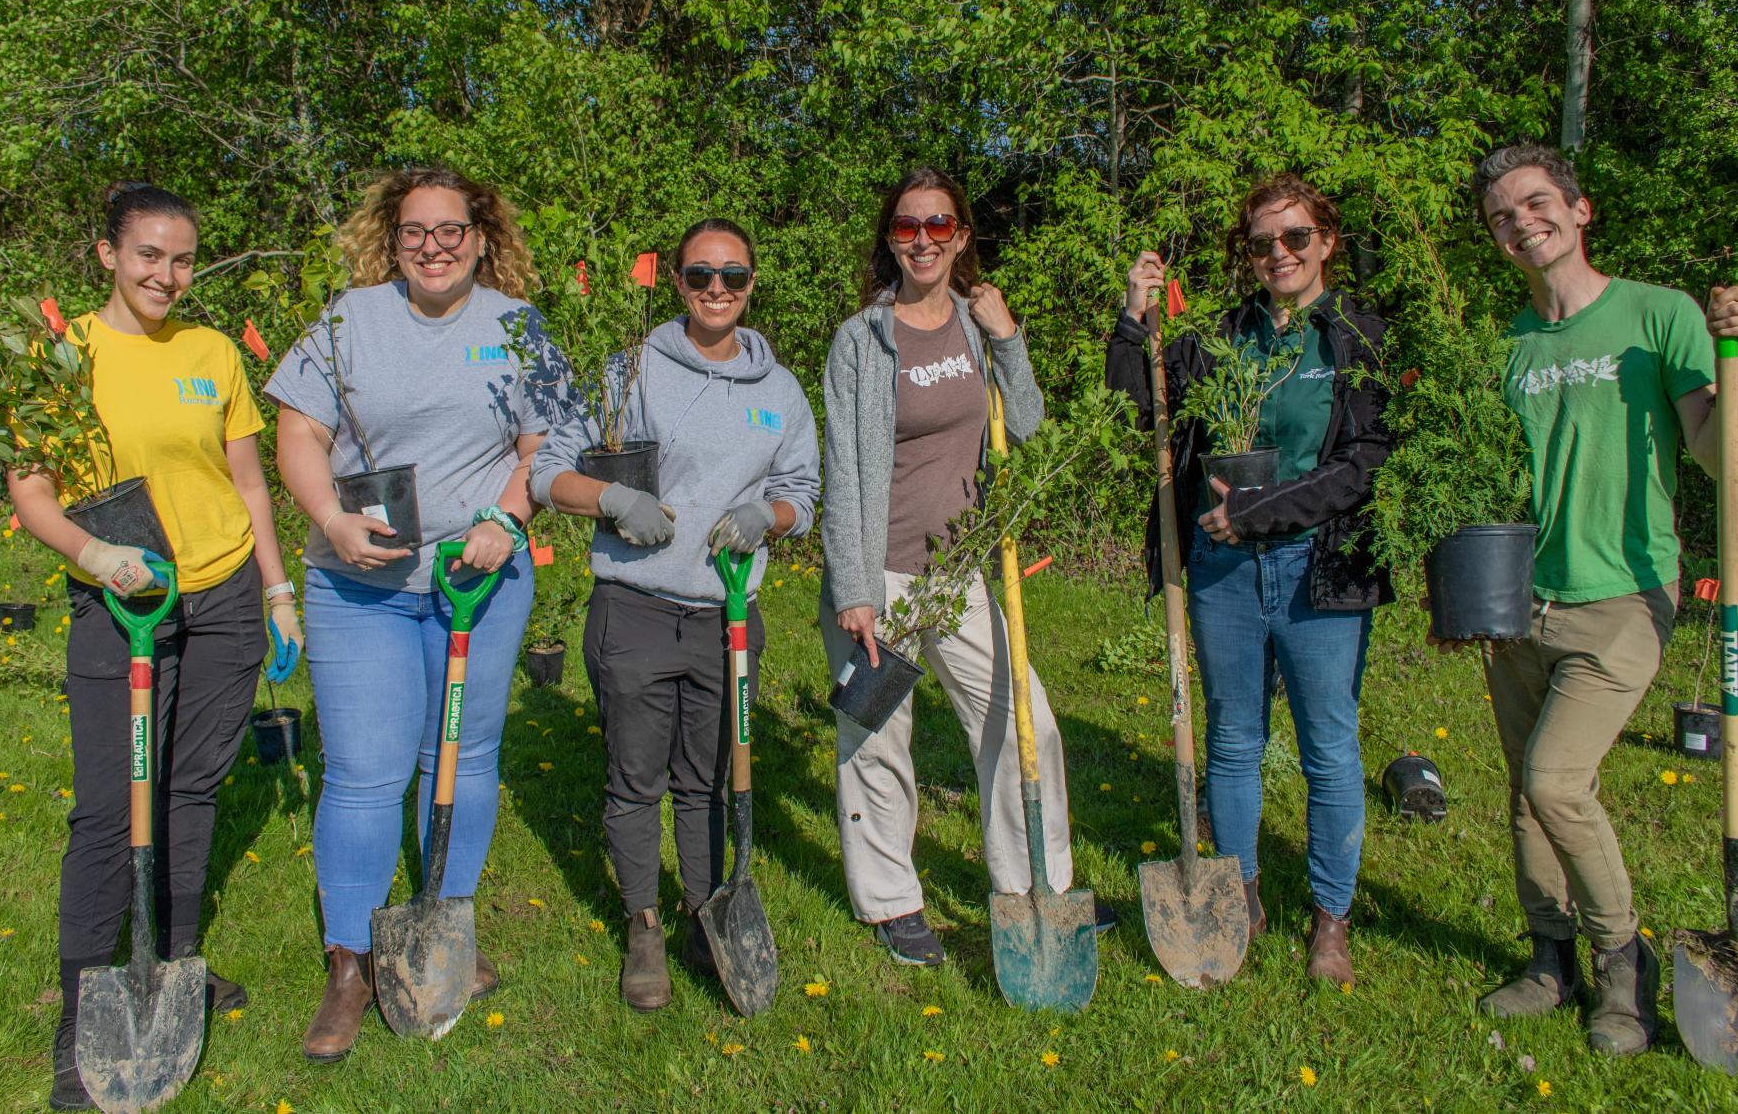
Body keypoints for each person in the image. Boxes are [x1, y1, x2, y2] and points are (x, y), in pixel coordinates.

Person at [1461, 143, 1738, 1055]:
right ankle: (1549, 958)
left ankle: (1622, 963)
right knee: (1525, 792)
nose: (1522, 223)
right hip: (1520, 598)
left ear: (1579, 208)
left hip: (1625, 594)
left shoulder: (1657, 315)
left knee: (1556, 780)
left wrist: (1736, 363)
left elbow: (1724, 457)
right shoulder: (1507, 346)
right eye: (1502, 216)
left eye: (1536, 202)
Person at [267, 165, 571, 1062]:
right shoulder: (348, 322)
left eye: (450, 231)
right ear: (391, 239)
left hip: (478, 580)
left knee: (464, 755)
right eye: (414, 232)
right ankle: (351, 962)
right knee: (366, 770)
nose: (433, 247)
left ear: (481, 237)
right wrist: (331, 518)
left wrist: (507, 519)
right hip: (358, 582)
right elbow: (299, 431)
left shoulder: (517, 327)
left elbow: (547, 442)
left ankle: (444, 924)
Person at [9, 182, 298, 1111]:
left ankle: (170, 963)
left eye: (181, 260)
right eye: (147, 255)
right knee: (108, 805)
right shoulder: (61, 358)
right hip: (123, 595)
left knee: (190, 788)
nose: (166, 275)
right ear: (107, 254)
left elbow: (247, 483)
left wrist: (278, 592)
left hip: (223, 592)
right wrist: (92, 555)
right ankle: (83, 1010)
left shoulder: (213, 353)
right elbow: (31, 489)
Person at [1105, 174, 1392, 986]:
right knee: (1233, 737)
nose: (1280, 254)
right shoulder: (1222, 338)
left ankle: (1330, 918)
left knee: (1327, 744)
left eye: (1296, 238)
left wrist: (1264, 510)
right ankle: (1241, 896)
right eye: (1263, 243)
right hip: (1224, 570)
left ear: (1326, 241)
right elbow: (1139, 408)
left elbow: (1361, 465)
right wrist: (1133, 318)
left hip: (1319, 568)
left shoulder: (1356, 338)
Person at [820, 166, 1109, 967]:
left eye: (938, 225)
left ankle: (1037, 883)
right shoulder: (861, 340)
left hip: (959, 575)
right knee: (875, 739)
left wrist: (1008, 335)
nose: (923, 240)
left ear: (962, 237)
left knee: (1024, 722)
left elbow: (1031, 425)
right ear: (890, 239)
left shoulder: (978, 328)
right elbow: (842, 470)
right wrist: (853, 589)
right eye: (907, 226)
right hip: (880, 575)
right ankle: (892, 901)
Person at [529, 219, 820, 1011]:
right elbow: (548, 473)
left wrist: (769, 516)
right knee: (636, 779)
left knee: (707, 780)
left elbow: (802, 492)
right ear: (678, 282)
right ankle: (645, 924)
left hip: (728, 614)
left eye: (733, 275)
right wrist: (611, 498)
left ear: (752, 283)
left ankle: (704, 912)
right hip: (636, 608)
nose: (716, 289)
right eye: (700, 275)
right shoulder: (629, 372)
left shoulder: (781, 392)